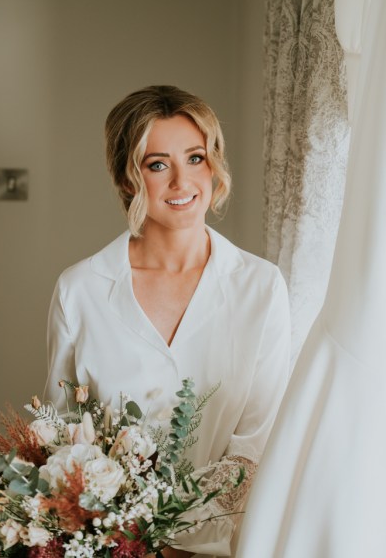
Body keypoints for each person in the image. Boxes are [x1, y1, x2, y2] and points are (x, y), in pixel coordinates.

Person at [44, 85, 291, 558]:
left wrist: (176, 538)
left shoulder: (261, 287)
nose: (182, 181)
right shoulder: (80, 290)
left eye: (195, 158)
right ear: (126, 178)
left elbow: (259, 439)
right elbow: (61, 438)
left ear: (214, 163)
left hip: (231, 547)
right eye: (158, 164)